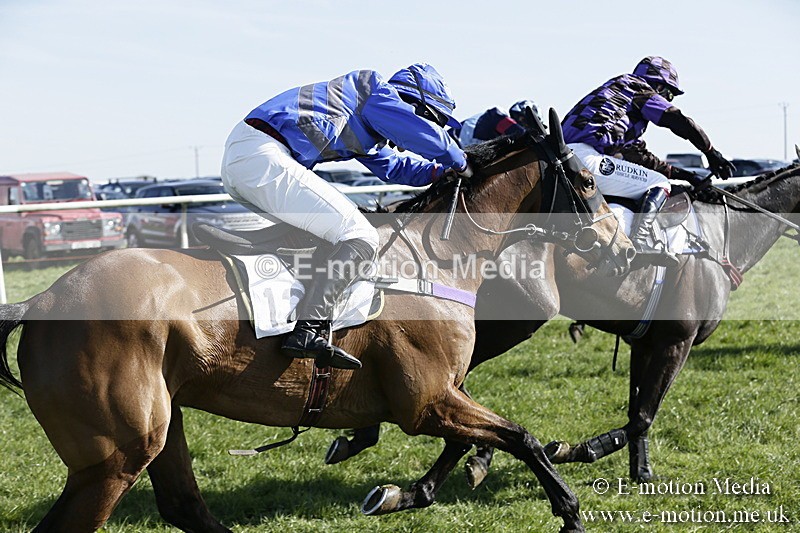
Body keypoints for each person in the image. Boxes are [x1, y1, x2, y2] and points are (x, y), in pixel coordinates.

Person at [220, 63, 471, 370]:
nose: (434, 126)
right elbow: (418, 132)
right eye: (433, 120)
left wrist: (438, 173)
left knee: (325, 234)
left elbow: (394, 167)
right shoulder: (376, 93)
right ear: (414, 104)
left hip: (249, 157)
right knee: (360, 235)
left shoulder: (366, 117)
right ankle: (309, 329)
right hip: (261, 155)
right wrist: (459, 160)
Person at [562, 56, 735, 266]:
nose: (668, 100)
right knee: (659, 184)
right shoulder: (637, 87)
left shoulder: (618, 105)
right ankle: (640, 242)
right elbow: (677, 119)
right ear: (658, 86)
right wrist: (710, 152)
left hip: (564, 159)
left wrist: (688, 176)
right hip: (585, 160)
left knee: (653, 178)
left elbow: (641, 158)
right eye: (669, 95)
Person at [452, 100, 543, 147]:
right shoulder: (497, 114)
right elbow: (518, 132)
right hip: (451, 144)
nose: (527, 127)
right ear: (520, 117)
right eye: (528, 124)